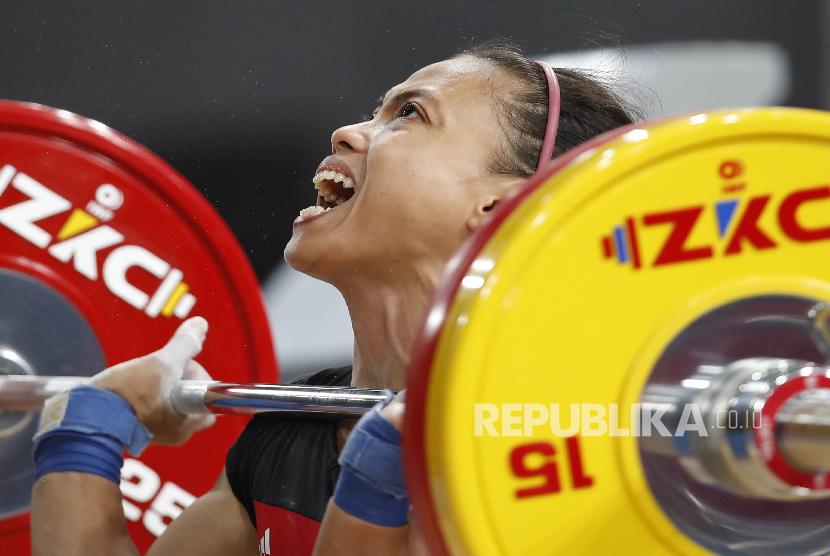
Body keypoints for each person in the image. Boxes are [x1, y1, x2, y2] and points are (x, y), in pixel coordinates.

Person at [30, 41, 640, 555]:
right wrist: (88, 429)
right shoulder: (289, 435)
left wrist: (377, 475)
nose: (347, 132)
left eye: (408, 115)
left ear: (501, 209)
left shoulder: (570, 451)